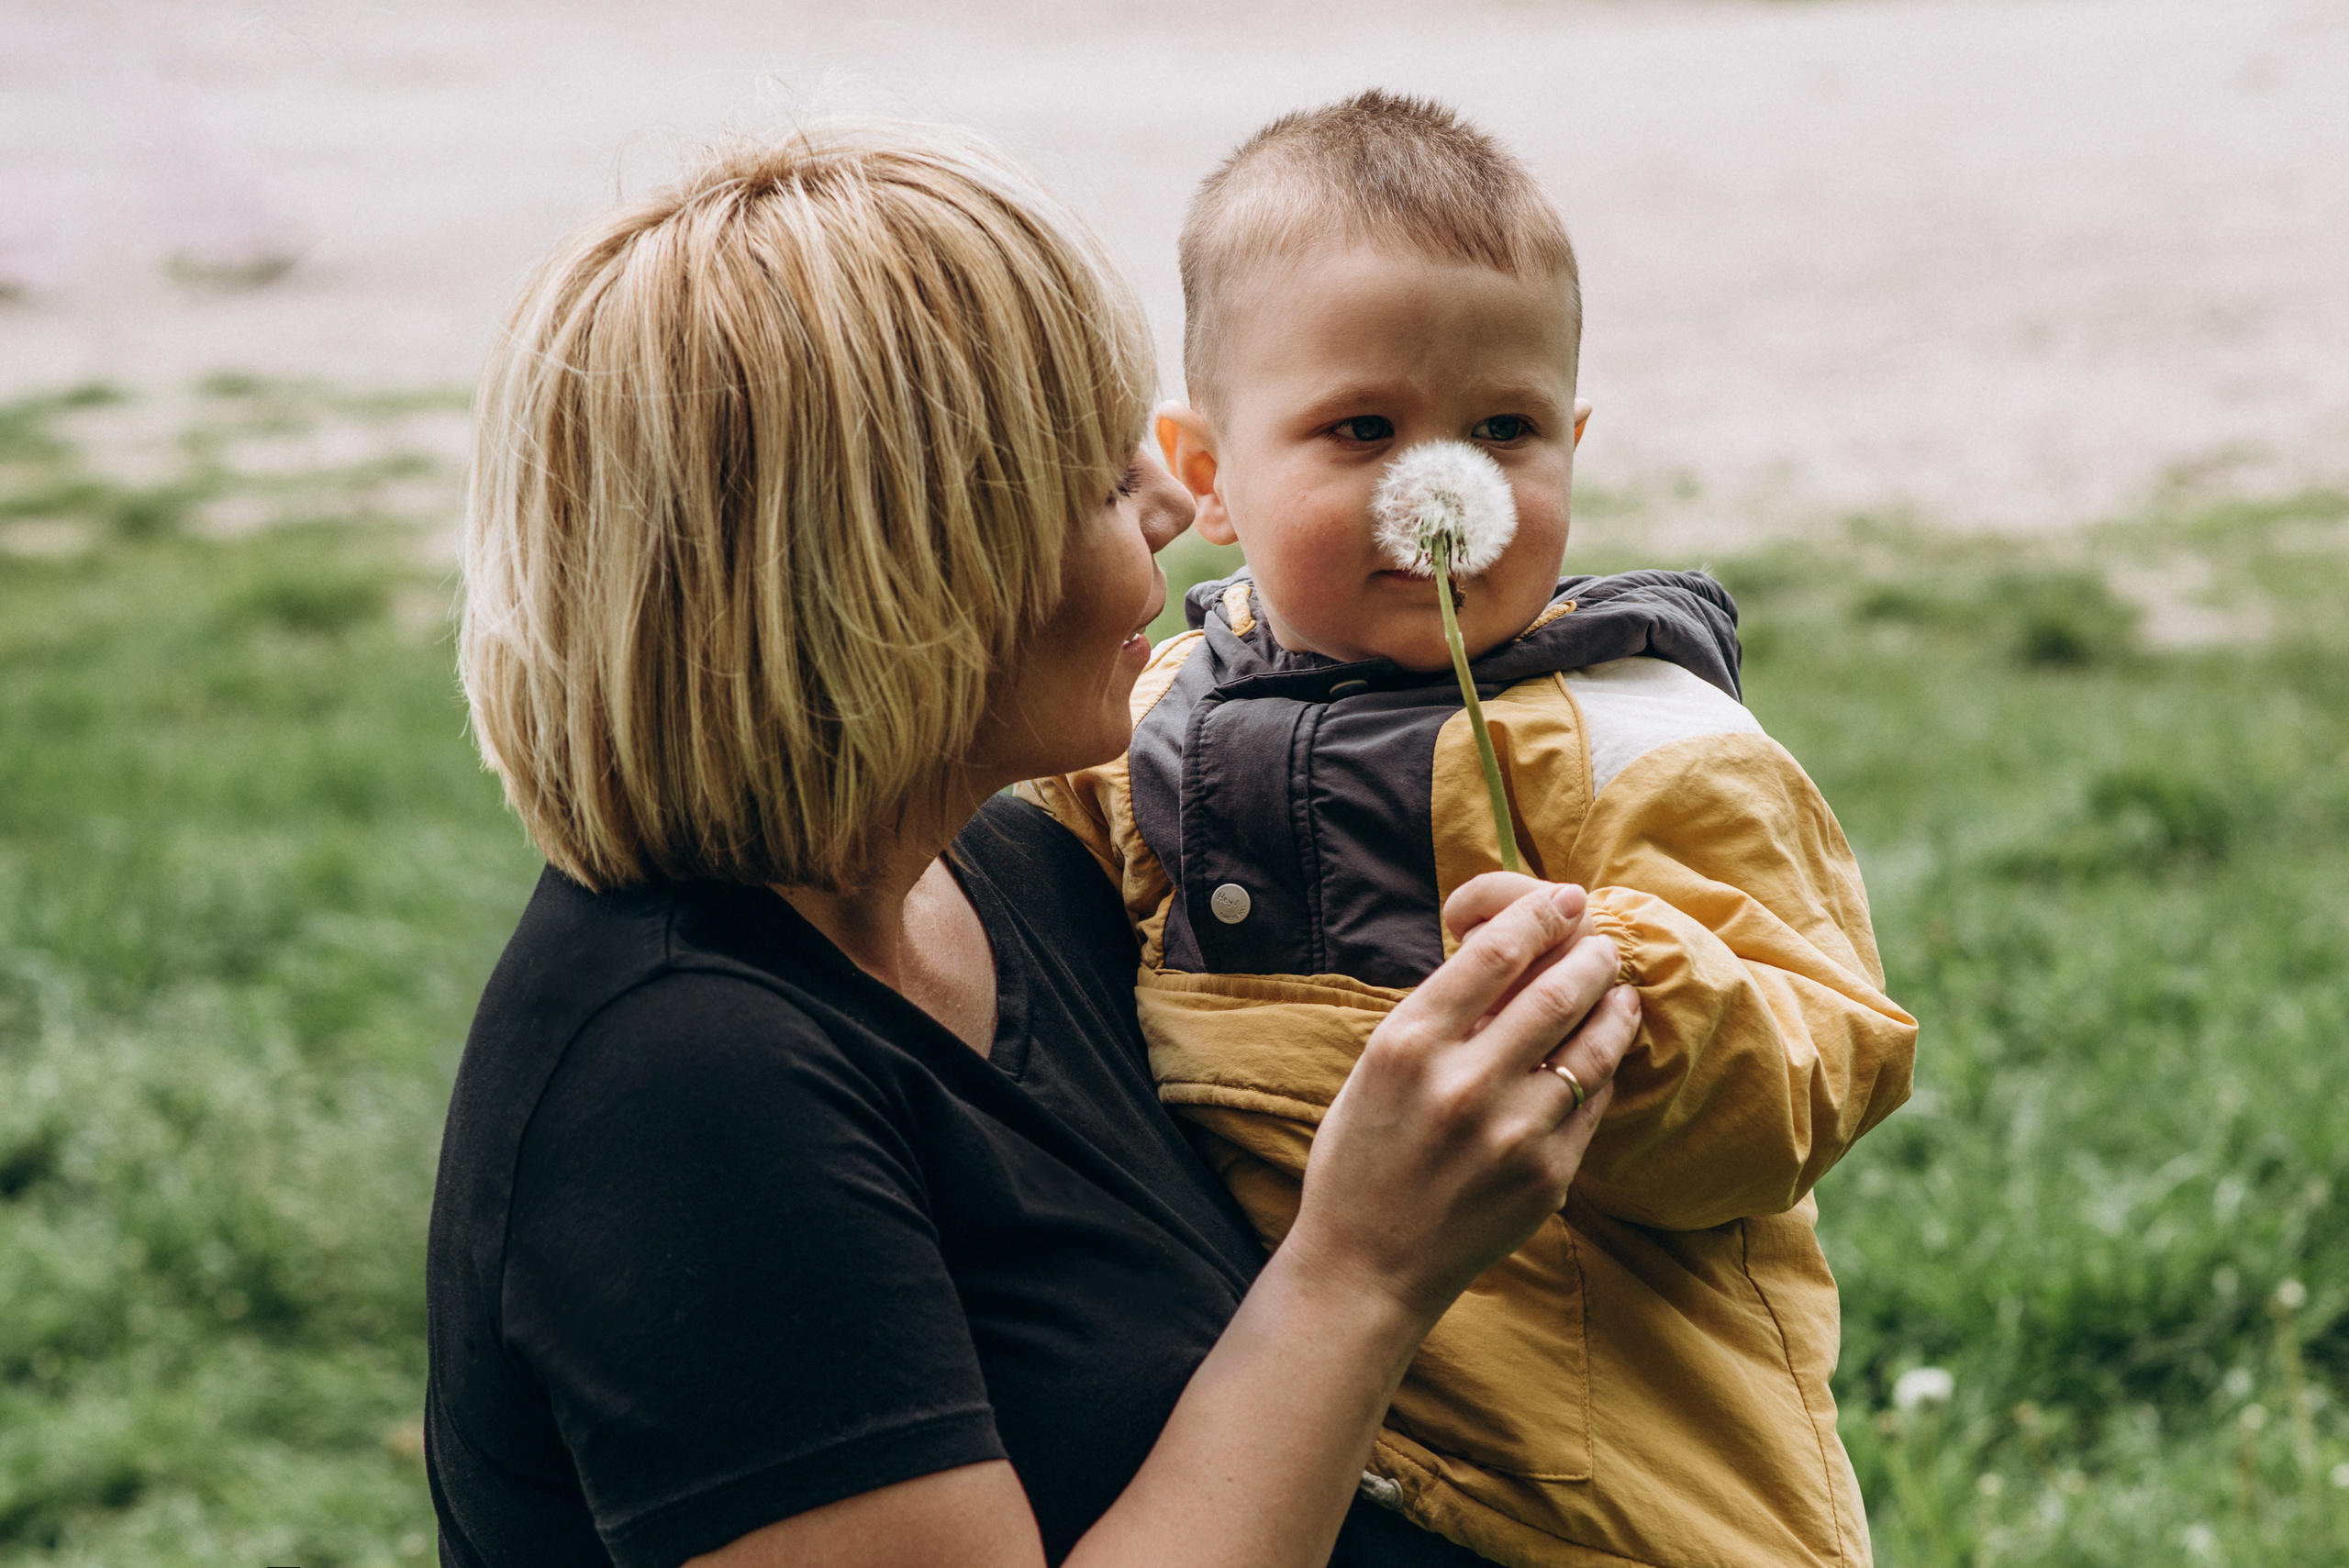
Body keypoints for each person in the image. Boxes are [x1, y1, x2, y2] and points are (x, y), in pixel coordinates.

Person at [427, 118, 1646, 1568]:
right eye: (1091, 477)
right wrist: (1362, 1272)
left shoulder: (1021, 874)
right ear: (894, 569)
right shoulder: (681, 1094)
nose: (1180, 503)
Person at [1019, 93, 1919, 1568]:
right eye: (1359, 428)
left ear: (1572, 439)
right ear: (1209, 472)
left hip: (1603, 1490)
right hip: (1291, 1455)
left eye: (1505, 428)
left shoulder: (1646, 741)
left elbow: (1820, 1068)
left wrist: (1613, 983)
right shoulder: (1159, 713)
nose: (1446, 476)